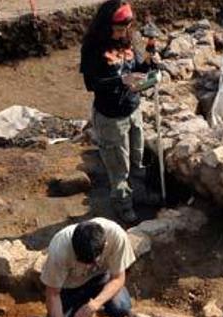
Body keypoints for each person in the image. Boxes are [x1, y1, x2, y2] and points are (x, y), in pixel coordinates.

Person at [80, 0, 159, 224]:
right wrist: (121, 79)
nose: (123, 32)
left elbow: (138, 68)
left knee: (137, 158)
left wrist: (150, 64)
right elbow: (92, 83)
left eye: (126, 28)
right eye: (118, 29)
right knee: (118, 166)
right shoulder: (93, 47)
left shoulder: (129, 39)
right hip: (110, 116)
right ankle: (122, 205)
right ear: (106, 26)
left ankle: (140, 195)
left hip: (133, 109)